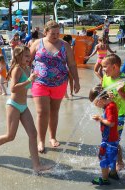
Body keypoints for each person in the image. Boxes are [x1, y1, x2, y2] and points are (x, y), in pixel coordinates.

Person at [0, 46, 51, 173]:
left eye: (28, 55)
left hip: (23, 106)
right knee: (10, 136)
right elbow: (13, 88)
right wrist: (28, 80)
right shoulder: (17, 69)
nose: (29, 58)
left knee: (33, 134)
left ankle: (36, 166)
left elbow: (28, 84)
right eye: (26, 56)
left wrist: (35, 79)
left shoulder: (26, 68)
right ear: (18, 56)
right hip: (14, 105)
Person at [30, 20, 80, 153]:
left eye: (58, 33)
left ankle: (52, 137)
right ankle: (41, 140)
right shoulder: (37, 43)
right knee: (42, 112)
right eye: (53, 33)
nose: (56, 36)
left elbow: (72, 64)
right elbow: (27, 61)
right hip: (40, 82)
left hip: (59, 83)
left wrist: (76, 80)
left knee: (54, 111)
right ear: (45, 32)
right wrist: (22, 79)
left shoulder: (65, 45)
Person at [101, 54, 125, 170]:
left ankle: (119, 161)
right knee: (108, 138)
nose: (103, 69)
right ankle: (113, 159)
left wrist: (120, 92)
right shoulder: (105, 77)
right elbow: (102, 91)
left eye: (105, 66)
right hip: (107, 112)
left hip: (120, 115)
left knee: (114, 139)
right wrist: (106, 95)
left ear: (114, 67)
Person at [89, 85, 120, 185]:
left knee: (103, 158)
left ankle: (104, 179)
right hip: (111, 138)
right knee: (111, 156)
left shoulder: (109, 107)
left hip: (109, 140)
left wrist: (100, 119)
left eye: (95, 102)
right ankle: (113, 173)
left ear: (100, 99)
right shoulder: (110, 105)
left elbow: (111, 123)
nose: (95, 105)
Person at [63, 34, 74, 99]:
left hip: (63, 65)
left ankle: (65, 93)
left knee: (65, 80)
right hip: (69, 65)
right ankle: (71, 92)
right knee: (71, 79)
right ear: (70, 41)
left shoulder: (61, 47)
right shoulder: (70, 47)